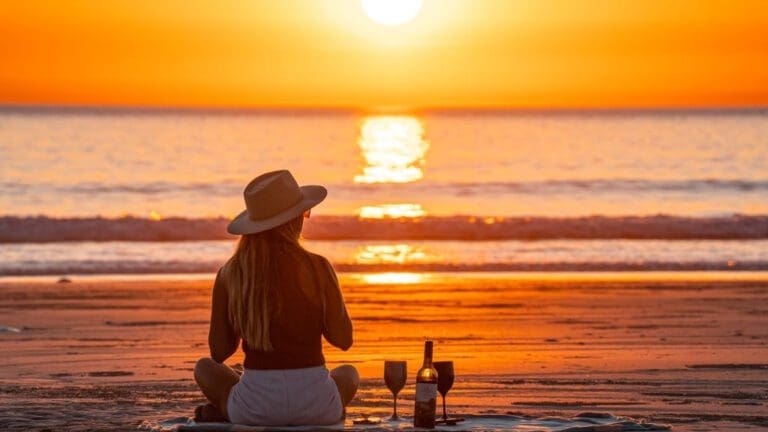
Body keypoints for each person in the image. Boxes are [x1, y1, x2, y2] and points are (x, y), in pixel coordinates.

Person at [193, 170, 358, 425]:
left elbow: (219, 352)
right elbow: (343, 339)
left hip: (254, 410)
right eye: (305, 212)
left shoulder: (232, 273)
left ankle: (226, 410)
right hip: (317, 407)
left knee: (204, 368)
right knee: (348, 374)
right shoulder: (318, 267)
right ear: (293, 219)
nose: (306, 218)